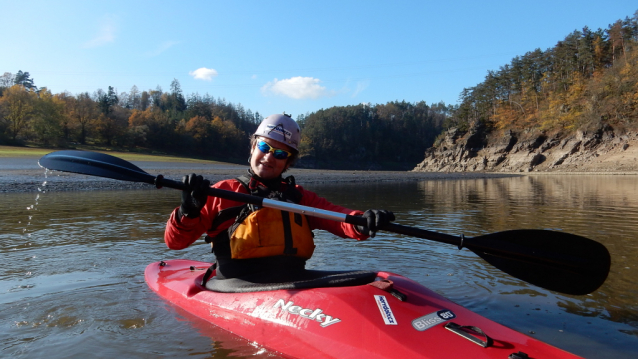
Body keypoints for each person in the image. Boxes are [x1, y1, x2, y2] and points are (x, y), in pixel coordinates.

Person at [164, 113, 394, 283]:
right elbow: (175, 243)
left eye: (280, 153)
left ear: (288, 162)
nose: (269, 157)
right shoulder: (222, 192)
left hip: (294, 279)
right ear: (253, 146)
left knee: (376, 279)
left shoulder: (298, 197)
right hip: (237, 286)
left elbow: (337, 218)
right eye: (264, 146)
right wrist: (188, 211)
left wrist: (363, 221)